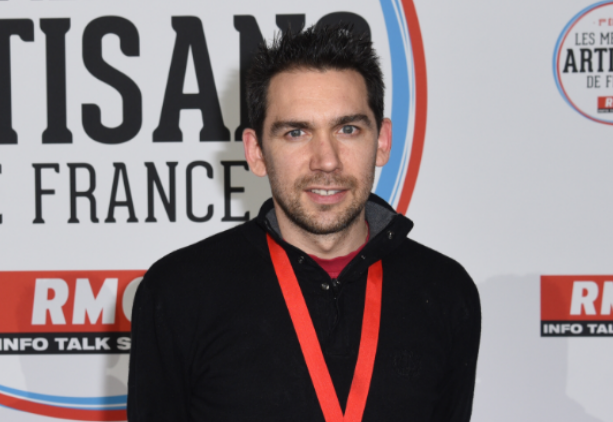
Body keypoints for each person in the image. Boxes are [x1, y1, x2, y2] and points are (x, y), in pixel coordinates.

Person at [128, 24, 481, 422]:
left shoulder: (446, 292)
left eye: (347, 129)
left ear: (382, 141)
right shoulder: (179, 292)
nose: (326, 160)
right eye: (296, 132)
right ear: (256, 152)